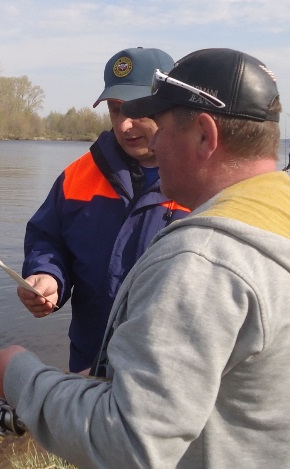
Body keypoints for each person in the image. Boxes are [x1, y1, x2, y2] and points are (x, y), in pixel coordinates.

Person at [0, 48, 290, 469]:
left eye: (155, 119)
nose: (137, 130)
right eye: (119, 111)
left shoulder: (204, 262)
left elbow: (132, 442)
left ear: (204, 134)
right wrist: (48, 278)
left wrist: (21, 378)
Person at [18, 47, 190, 373]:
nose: (124, 125)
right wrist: (47, 275)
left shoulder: (204, 180)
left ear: (171, 105)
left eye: (137, 109)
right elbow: (48, 238)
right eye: (115, 109)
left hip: (169, 376)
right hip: (89, 363)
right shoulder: (77, 176)